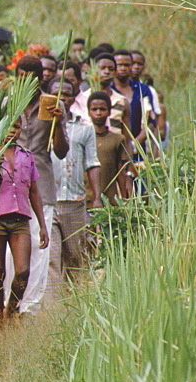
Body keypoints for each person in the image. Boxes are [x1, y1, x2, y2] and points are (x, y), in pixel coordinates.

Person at [13, 54, 67, 315]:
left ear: (38, 79)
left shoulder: (52, 104)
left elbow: (61, 151)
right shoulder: (8, 102)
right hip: (12, 182)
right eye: (19, 78)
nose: (23, 83)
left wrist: (57, 124)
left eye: (29, 79)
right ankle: (9, 302)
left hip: (42, 181)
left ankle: (30, 307)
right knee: (13, 244)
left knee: (38, 244)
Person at [0, 117, 47, 320]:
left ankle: (12, 310)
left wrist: (42, 226)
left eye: (16, 127)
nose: (12, 131)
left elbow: (34, 191)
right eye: (7, 127)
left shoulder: (27, 156)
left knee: (23, 270)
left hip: (20, 219)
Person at [48, 81, 101, 296]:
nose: (61, 98)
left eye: (66, 94)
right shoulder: (42, 127)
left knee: (75, 258)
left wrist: (96, 197)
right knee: (51, 259)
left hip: (75, 201)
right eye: (56, 94)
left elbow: (92, 163)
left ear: (73, 98)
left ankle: (75, 303)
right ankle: (50, 309)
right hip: (50, 201)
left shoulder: (84, 129)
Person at [87, 91, 133, 205]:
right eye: (94, 109)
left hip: (109, 200)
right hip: (86, 199)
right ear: (88, 112)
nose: (98, 113)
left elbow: (120, 170)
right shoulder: (84, 138)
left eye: (102, 109)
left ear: (109, 112)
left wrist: (124, 200)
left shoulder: (117, 139)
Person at [93, 53, 131, 138]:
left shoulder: (121, 101)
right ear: (94, 71)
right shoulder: (83, 98)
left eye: (110, 69)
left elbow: (126, 138)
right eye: (102, 68)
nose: (107, 72)